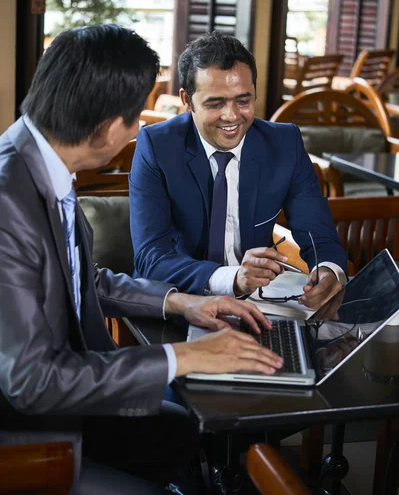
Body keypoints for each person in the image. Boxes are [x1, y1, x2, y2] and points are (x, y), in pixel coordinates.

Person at [0, 25, 283, 493]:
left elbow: (81, 280)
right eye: (135, 119)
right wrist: (183, 356)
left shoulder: (40, 161)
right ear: (111, 127)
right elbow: (31, 381)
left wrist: (180, 303)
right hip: (30, 434)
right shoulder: (10, 202)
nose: (139, 130)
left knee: (181, 432)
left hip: (67, 394)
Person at [130, 31, 348, 310]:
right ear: (187, 100)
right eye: (215, 103)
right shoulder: (156, 147)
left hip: (259, 303)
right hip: (177, 302)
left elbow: (319, 234)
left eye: (243, 101)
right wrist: (232, 278)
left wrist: (329, 270)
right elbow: (151, 258)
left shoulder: (285, 144)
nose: (232, 116)